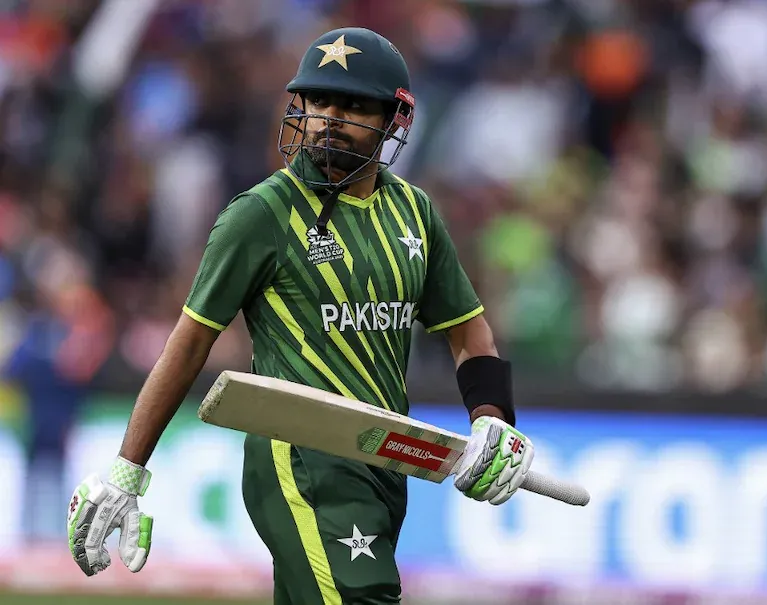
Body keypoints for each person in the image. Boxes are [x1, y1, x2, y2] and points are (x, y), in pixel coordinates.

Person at [67, 27, 535, 604]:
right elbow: (187, 346)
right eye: (318, 101)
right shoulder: (260, 215)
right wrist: (126, 471)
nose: (329, 116)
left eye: (353, 104)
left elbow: (468, 332)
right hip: (298, 465)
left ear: (395, 119)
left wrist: (491, 419)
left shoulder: (416, 214)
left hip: (386, 465)